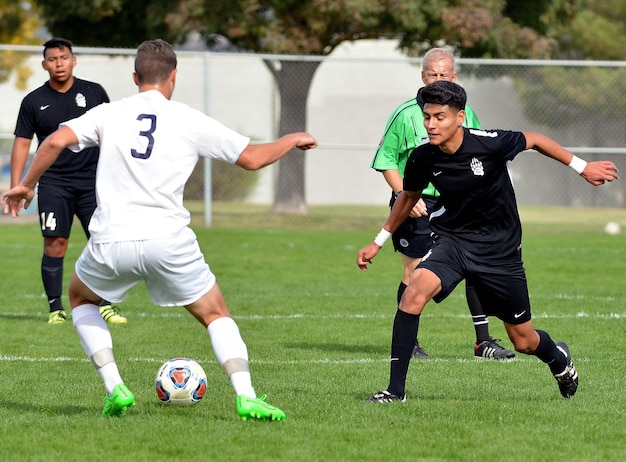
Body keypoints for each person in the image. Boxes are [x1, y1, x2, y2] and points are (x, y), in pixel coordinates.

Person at [2, 39, 318, 420]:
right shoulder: (186, 117)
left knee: (82, 299)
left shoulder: (109, 113)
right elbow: (250, 158)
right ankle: (246, 396)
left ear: (135, 77)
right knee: (216, 314)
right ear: (174, 77)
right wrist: (290, 139)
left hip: (111, 240)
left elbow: (53, 140)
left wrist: (27, 184)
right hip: (169, 241)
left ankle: (115, 387)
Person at [357, 81, 619, 403]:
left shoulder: (489, 144)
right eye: (427, 117)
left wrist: (582, 167)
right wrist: (379, 241)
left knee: (523, 340)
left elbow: (534, 140)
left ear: (459, 117)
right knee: (413, 294)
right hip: (453, 241)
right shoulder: (423, 157)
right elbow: (408, 197)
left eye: (439, 117)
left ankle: (559, 359)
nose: (431, 124)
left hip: (499, 251)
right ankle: (395, 392)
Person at [371, 48, 514, 360]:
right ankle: (410, 344)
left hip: (458, 205)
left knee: (476, 268)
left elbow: (479, 156)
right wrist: (405, 196)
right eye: (432, 74)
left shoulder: (466, 114)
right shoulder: (405, 114)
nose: (437, 79)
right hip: (415, 203)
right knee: (414, 272)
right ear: (423, 77)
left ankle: (483, 342)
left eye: (443, 74)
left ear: (454, 77)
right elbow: (386, 160)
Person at [10, 37, 126, 325]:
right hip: (53, 183)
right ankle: (55, 309)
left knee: (102, 242)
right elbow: (22, 143)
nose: (59, 63)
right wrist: (19, 185)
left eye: (64, 58)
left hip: (92, 182)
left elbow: (112, 133)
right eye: (52, 59)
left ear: (73, 60)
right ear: (44, 64)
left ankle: (107, 305)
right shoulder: (33, 101)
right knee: (55, 243)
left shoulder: (94, 92)